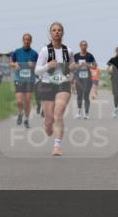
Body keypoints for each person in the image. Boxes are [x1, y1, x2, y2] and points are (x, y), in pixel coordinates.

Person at [35, 22, 74, 156]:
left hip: (63, 83)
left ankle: (57, 146)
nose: (57, 32)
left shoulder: (68, 51)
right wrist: (47, 66)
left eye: (59, 30)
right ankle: (47, 124)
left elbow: (72, 67)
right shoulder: (45, 50)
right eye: (54, 30)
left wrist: (72, 78)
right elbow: (36, 71)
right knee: (49, 121)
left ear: (62, 33)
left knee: (58, 114)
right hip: (47, 84)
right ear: (50, 33)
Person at [10, 34, 39, 128]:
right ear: (22, 40)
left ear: (31, 41)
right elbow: (11, 62)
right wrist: (15, 65)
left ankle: (26, 119)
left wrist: (33, 65)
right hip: (19, 79)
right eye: (25, 39)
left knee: (27, 101)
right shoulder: (17, 52)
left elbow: (39, 66)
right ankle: (20, 113)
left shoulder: (34, 53)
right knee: (19, 101)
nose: (26, 41)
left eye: (28, 40)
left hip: (30, 80)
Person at [72, 40, 97, 119]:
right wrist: (78, 66)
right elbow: (72, 66)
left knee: (86, 96)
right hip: (79, 78)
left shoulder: (90, 56)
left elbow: (95, 66)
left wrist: (87, 65)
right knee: (79, 95)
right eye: (82, 45)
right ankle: (79, 112)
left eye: (85, 45)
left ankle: (86, 114)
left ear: (87, 46)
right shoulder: (76, 56)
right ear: (80, 46)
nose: (84, 46)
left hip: (87, 78)